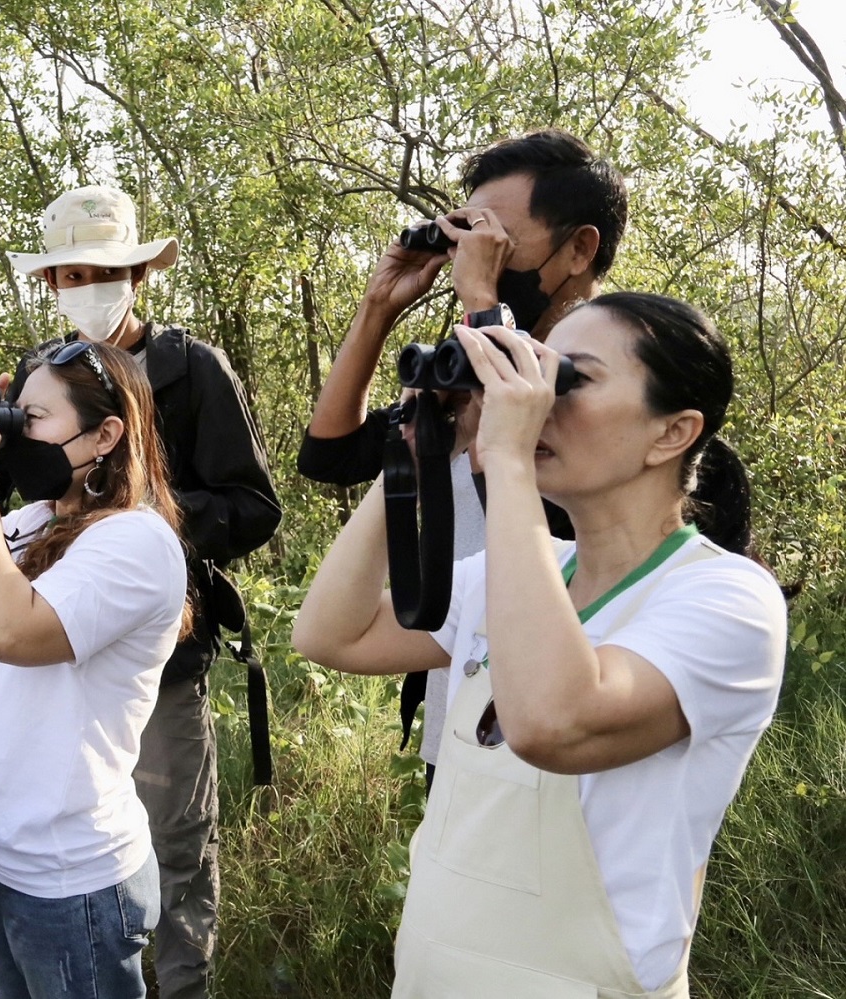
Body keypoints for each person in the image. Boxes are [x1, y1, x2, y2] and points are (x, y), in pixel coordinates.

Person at [292, 293, 787, 996]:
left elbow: (552, 720)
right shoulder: (525, 565)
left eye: (567, 378)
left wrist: (510, 461)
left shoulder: (728, 599)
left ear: (672, 431)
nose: (535, 399)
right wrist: (415, 452)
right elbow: (329, 633)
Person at [3, 184, 281, 998]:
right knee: (73, 839)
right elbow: (36, 503)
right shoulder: (41, 373)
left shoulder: (191, 369)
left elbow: (254, 506)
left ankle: (182, 988)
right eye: (65, 275)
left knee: (176, 846)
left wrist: (143, 515)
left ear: (136, 274)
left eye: (98, 270)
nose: (81, 288)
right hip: (62, 647)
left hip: (163, 659)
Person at [298, 130, 628, 790]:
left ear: (580, 248)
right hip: (462, 723)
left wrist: (481, 296)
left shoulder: (616, 384)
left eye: (499, 238)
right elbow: (330, 455)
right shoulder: (463, 384)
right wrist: (378, 306)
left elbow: (565, 534)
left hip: (569, 728)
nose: (479, 256)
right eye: (471, 238)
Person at [0, 341, 188, 999]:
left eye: (34, 418)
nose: (15, 435)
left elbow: (6, 630)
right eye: (13, 416)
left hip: (71, 884)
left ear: (106, 433)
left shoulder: (135, 542)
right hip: (7, 862)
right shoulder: (34, 521)